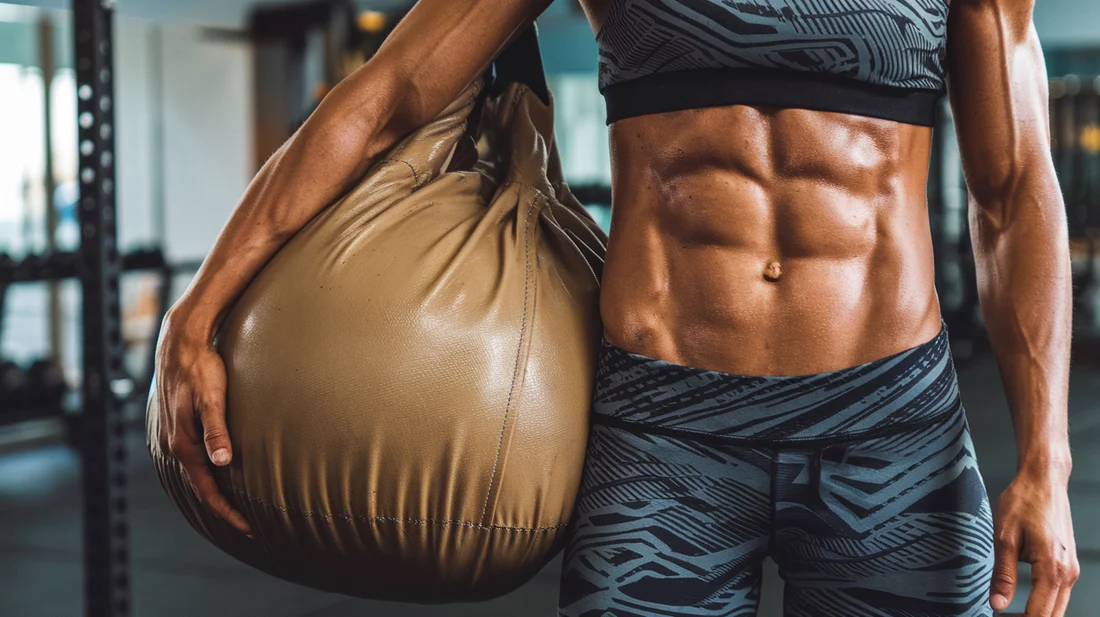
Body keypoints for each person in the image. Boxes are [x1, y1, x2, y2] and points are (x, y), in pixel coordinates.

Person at [154, 0, 1077, 615]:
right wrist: (198, 306)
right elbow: (388, 96)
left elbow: (1012, 191)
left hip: (888, 430)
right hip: (667, 440)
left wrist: (1047, 458)